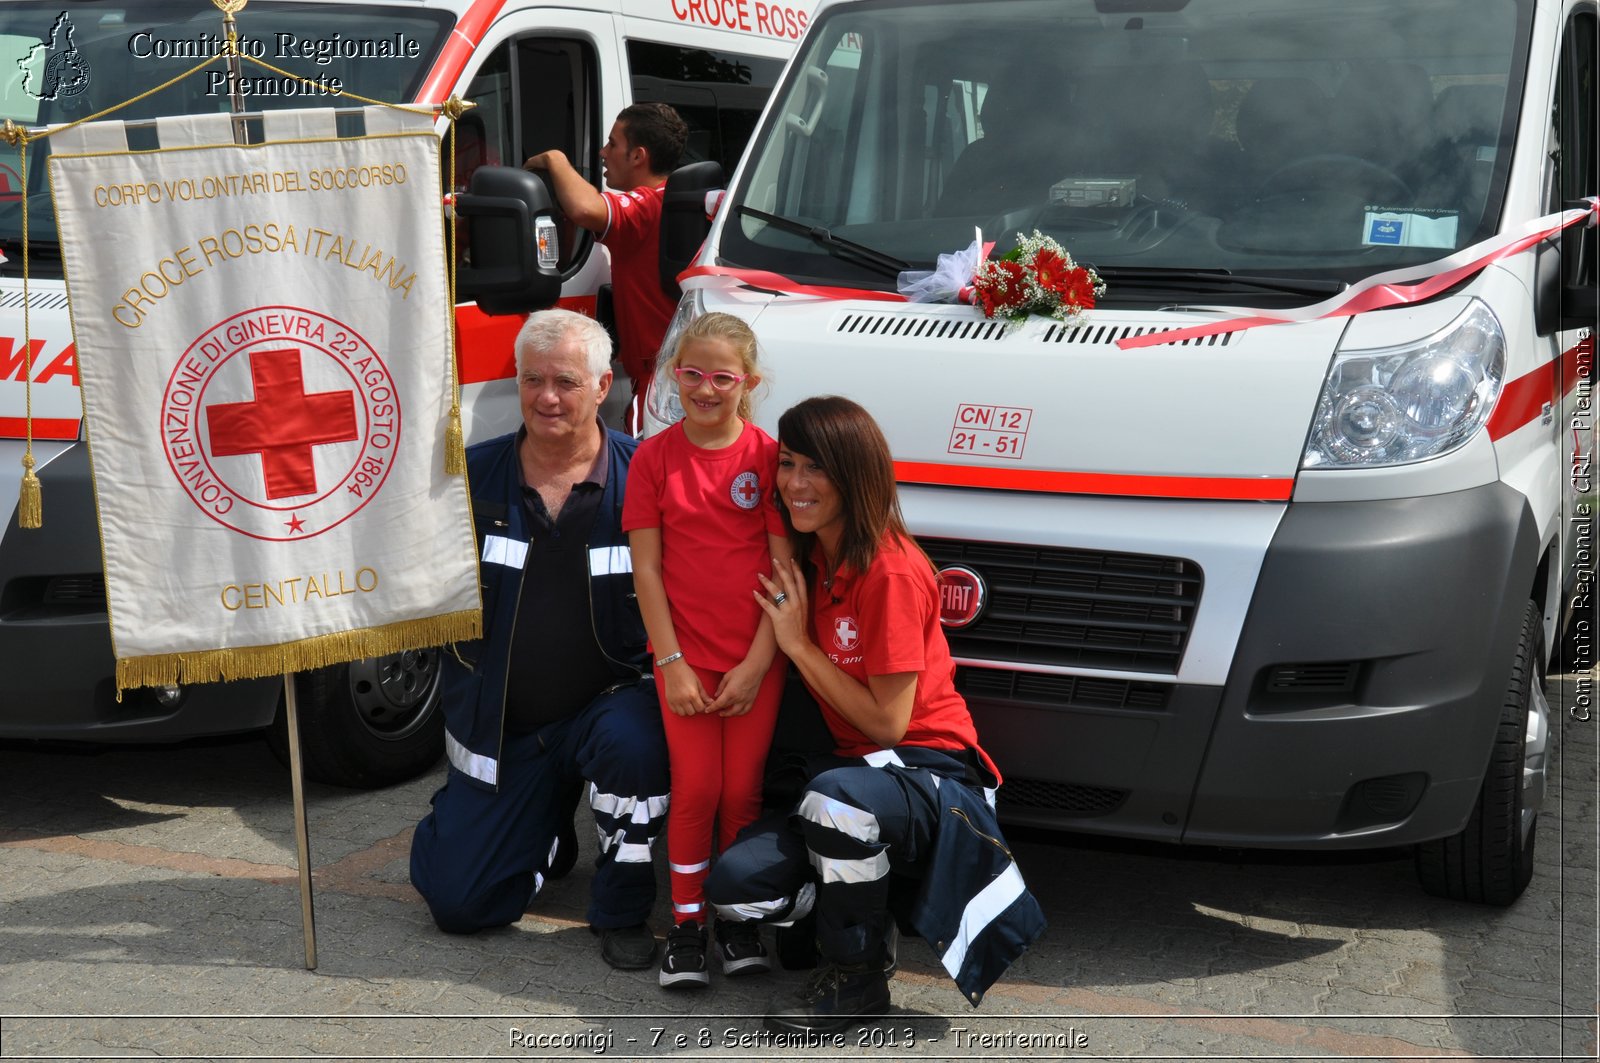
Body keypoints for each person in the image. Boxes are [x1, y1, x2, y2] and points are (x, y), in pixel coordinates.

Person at [704, 396, 1046, 1032]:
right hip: (856, 773)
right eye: (787, 464)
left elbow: (889, 726)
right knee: (735, 887)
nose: (795, 484)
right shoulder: (813, 553)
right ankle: (865, 911)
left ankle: (857, 980)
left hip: (930, 771)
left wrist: (798, 645)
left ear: (855, 476)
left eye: (816, 468)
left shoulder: (888, 570)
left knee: (836, 803)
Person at [409, 309, 669, 972]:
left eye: (566, 381)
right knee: (458, 904)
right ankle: (539, 830)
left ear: (605, 384)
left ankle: (621, 907)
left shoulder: (646, 479)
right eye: (533, 380)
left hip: (609, 710)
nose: (547, 396)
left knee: (635, 742)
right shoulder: (469, 480)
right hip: (507, 731)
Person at [621, 312, 793, 989]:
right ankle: (687, 926)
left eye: (722, 376)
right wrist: (671, 663)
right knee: (696, 790)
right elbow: (647, 571)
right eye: (691, 373)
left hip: (755, 659)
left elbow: (784, 570)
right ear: (673, 375)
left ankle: (738, 918)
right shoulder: (653, 458)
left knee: (743, 793)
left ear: (749, 381)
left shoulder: (769, 458)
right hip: (681, 663)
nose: (706, 388)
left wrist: (757, 662)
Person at [524, 103, 688, 432]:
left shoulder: (652, 205)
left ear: (638, 156)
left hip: (662, 384)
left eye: (613, 144)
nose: (602, 152)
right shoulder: (681, 202)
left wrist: (555, 159)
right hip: (676, 377)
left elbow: (585, 208)